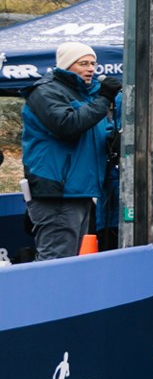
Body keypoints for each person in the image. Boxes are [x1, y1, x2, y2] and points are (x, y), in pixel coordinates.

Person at [21, 43, 119, 261]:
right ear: (66, 65)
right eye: (83, 63)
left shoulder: (87, 96)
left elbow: (95, 134)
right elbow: (68, 125)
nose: (91, 68)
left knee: (72, 260)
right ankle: (45, 296)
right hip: (58, 190)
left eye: (93, 63)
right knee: (57, 259)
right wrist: (103, 99)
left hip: (81, 190)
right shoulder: (45, 92)